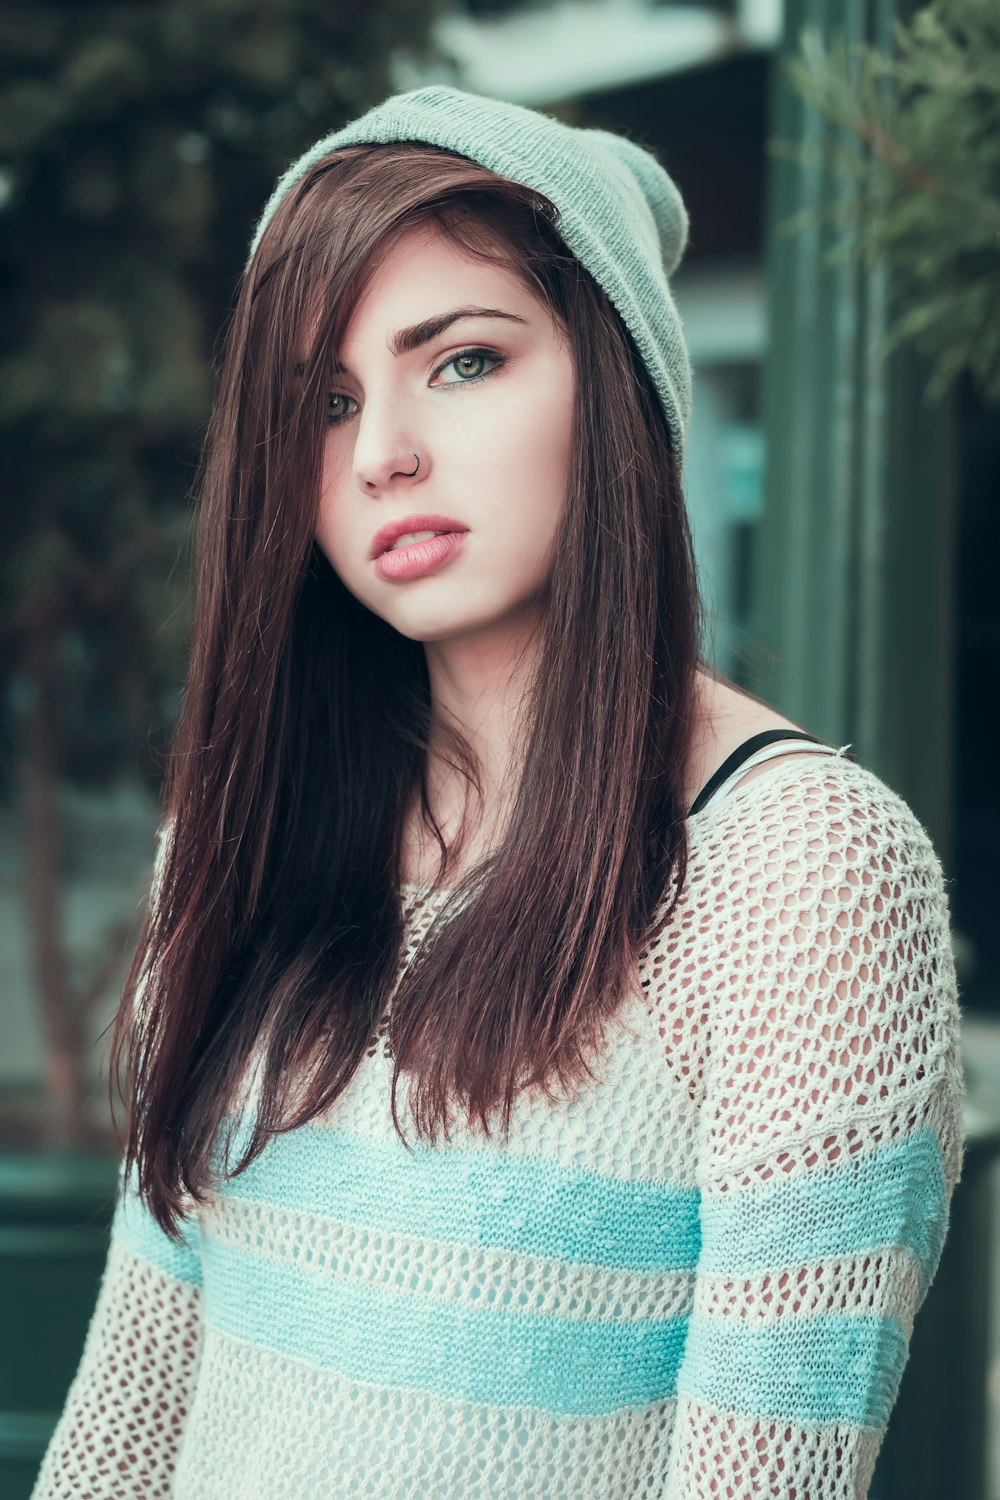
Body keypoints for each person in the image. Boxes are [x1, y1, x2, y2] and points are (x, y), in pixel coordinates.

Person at [32, 87, 965, 1500]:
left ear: (621, 379)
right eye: (326, 403)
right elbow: (135, 1386)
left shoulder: (807, 871)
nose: (379, 453)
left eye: (462, 362)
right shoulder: (245, 837)